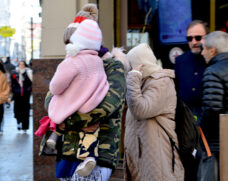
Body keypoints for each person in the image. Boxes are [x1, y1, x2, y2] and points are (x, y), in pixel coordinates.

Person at [36, 19, 109, 177]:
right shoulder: (97, 61)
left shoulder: (73, 61)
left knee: (58, 114)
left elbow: (55, 87)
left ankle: (54, 137)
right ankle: (89, 156)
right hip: (90, 107)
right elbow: (104, 84)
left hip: (70, 108)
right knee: (89, 133)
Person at [123, 43, 184, 181]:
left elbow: (140, 110)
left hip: (157, 158)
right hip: (141, 159)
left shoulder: (161, 82)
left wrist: (133, 79)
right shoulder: (141, 83)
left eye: (131, 65)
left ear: (140, 65)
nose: (129, 70)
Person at [200, 31, 228, 179]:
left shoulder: (212, 71)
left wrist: (201, 129)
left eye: (203, 48)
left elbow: (211, 108)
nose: (202, 52)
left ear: (212, 50)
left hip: (218, 142)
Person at [174, 20, 208, 118]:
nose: (194, 42)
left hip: (207, 119)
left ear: (207, 38)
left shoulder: (212, 60)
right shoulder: (180, 61)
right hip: (185, 118)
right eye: (190, 38)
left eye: (198, 38)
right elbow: (175, 89)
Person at [10, 60, 32, 133]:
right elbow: (11, 84)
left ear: (25, 65)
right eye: (20, 64)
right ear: (18, 65)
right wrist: (14, 90)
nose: (21, 66)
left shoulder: (28, 73)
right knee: (17, 110)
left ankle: (25, 127)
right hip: (17, 96)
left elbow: (32, 83)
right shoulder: (14, 73)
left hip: (26, 96)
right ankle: (18, 122)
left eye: (23, 64)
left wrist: (28, 90)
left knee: (25, 111)